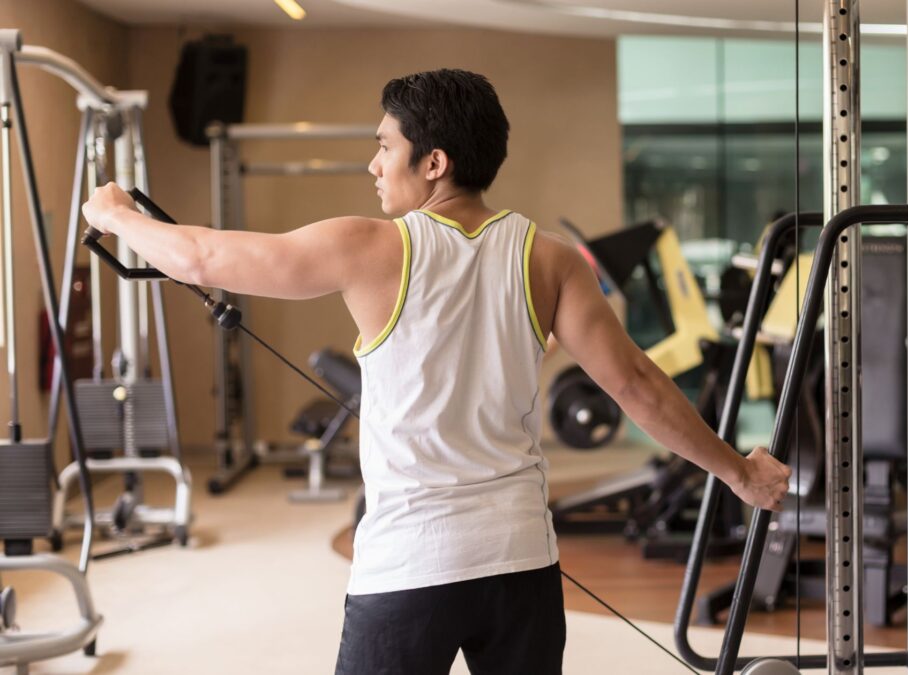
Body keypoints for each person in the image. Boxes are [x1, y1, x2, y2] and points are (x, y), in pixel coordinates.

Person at [82, 68, 791, 675]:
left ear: (434, 162)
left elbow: (203, 258)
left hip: (409, 570)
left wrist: (117, 215)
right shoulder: (548, 259)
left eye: (384, 147)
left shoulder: (370, 246)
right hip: (522, 564)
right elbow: (636, 385)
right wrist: (738, 471)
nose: (373, 164)